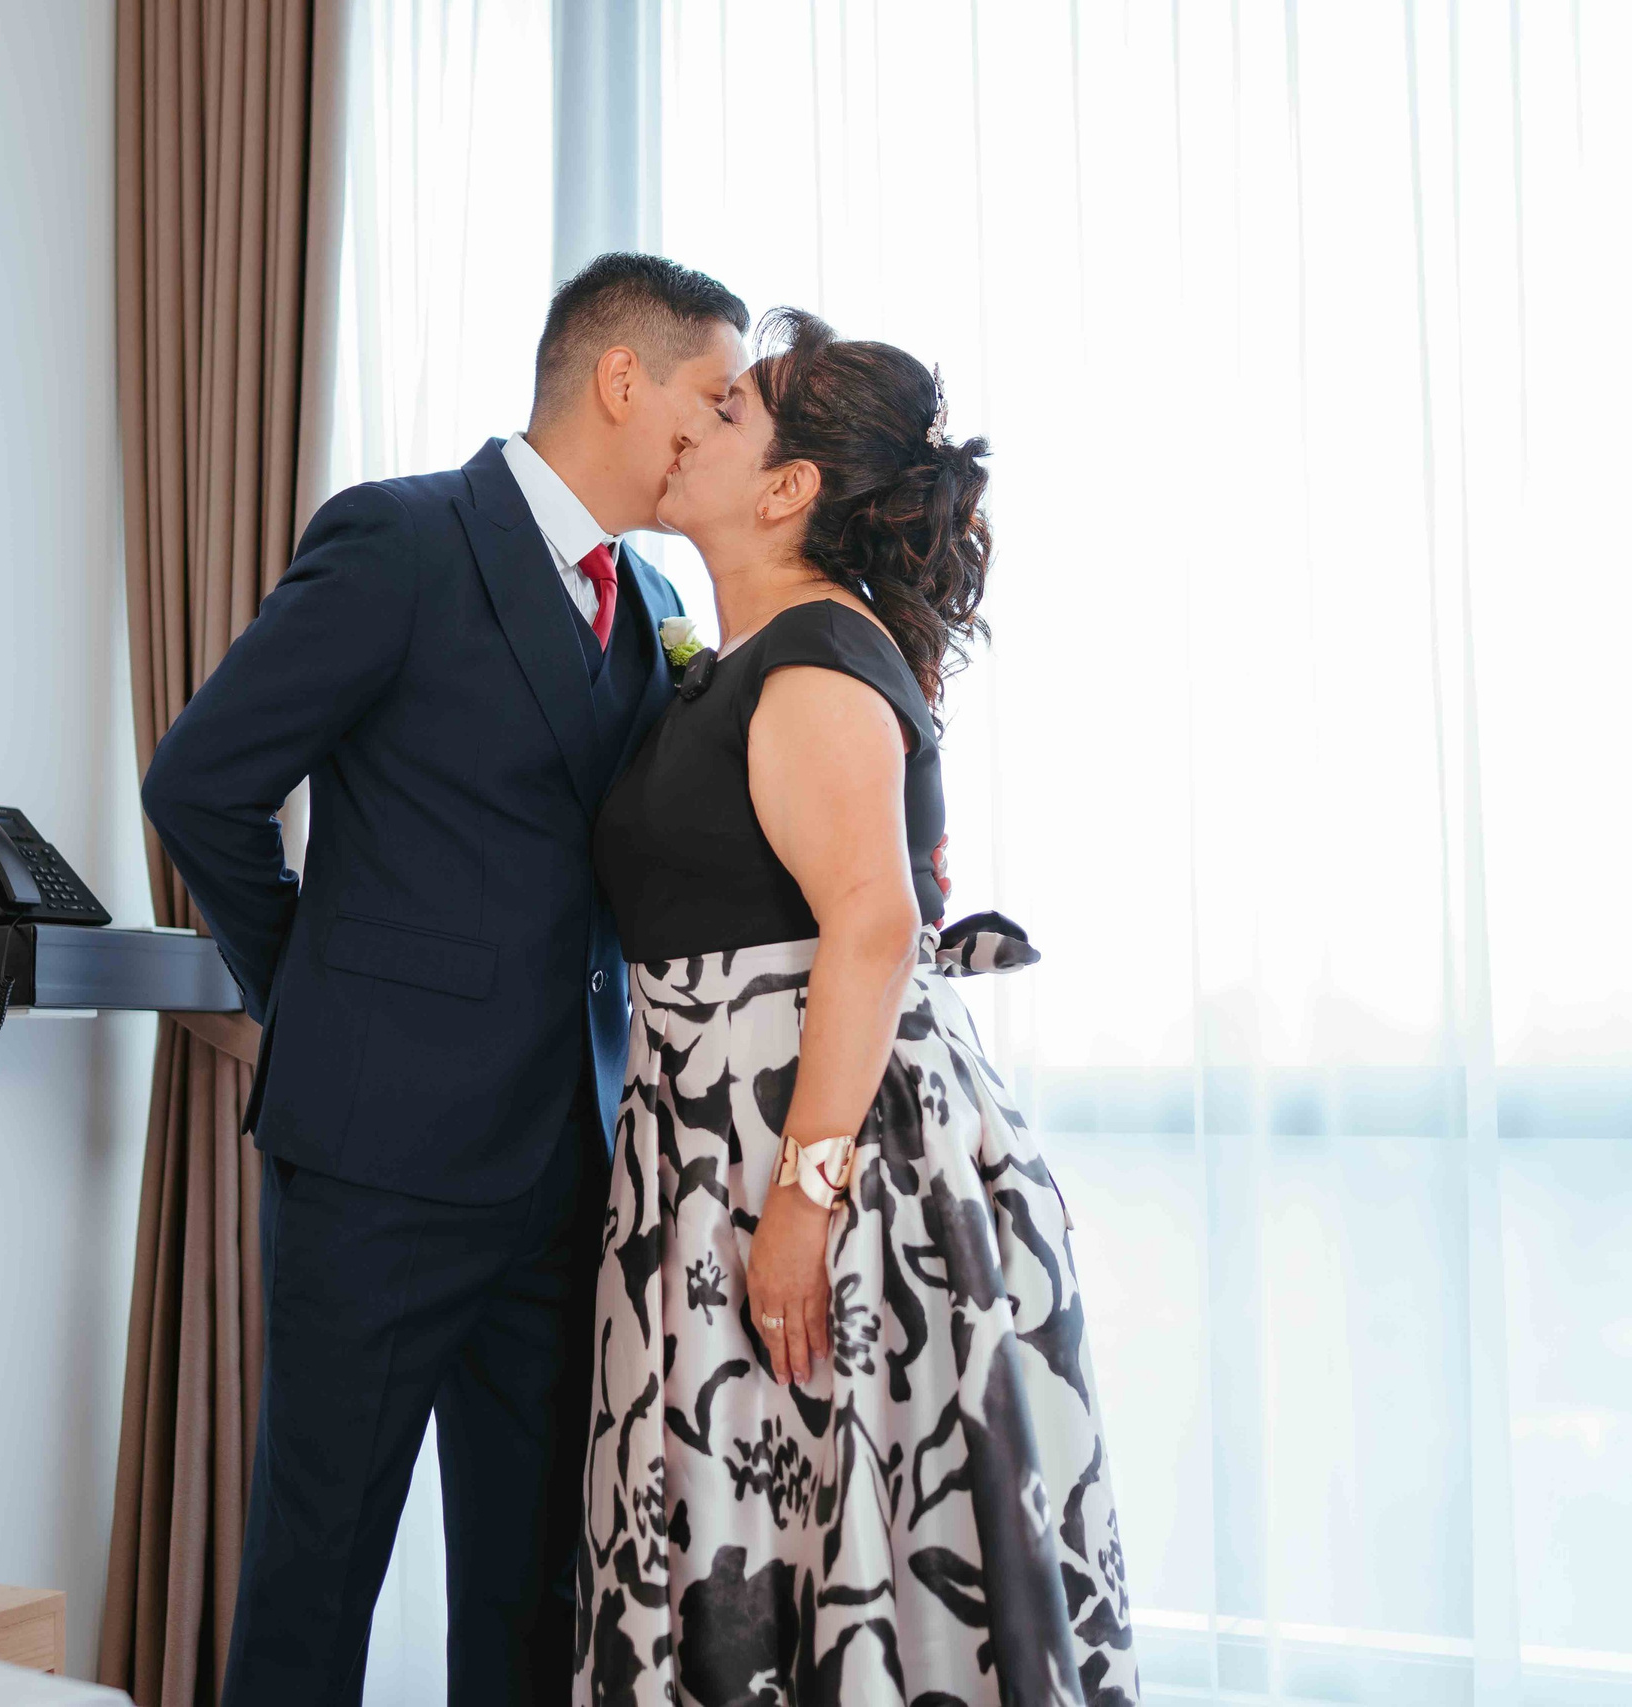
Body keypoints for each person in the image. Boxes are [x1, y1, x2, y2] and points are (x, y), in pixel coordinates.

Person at [140, 253, 748, 1706]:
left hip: (565, 1172)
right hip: (378, 1164)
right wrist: (311, 990)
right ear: (623, 380)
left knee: (536, 1600)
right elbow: (200, 783)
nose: (724, 428)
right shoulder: (403, 539)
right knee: (317, 1580)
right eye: (715, 395)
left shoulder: (656, 596)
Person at [579, 309, 1138, 1707]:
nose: (693, 424)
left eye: (731, 411)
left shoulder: (816, 652)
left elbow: (875, 925)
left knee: (831, 1544)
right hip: (730, 1148)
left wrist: (802, 1203)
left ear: (789, 488)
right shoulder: (765, 653)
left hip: (823, 1174)